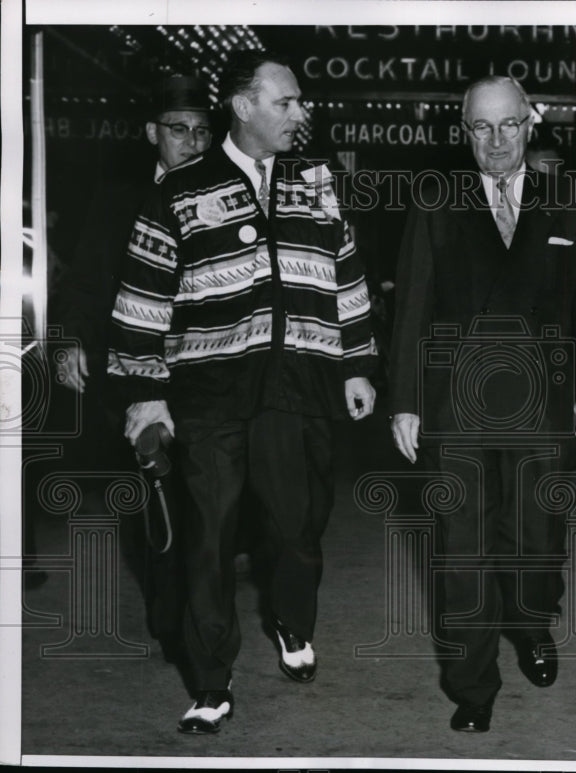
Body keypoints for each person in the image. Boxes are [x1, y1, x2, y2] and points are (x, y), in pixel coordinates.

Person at [107, 50, 378, 734]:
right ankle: (210, 677)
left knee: (297, 530)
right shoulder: (179, 190)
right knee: (208, 539)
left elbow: (345, 271)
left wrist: (356, 364)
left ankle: (290, 619)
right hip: (209, 393)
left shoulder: (316, 181)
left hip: (298, 387)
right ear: (243, 106)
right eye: (285, 102)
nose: (299, 113)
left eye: (300, 102)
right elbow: (141, 297)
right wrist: (146, 394)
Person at [388, 76, 576, 733]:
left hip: (545, 405)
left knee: (537, 544)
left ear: (530, 124)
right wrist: (404, 401)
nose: (494, 140)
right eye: (480, 127)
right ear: (464, 131)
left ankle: (535, 620)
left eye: (508, 125)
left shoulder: (570, 201)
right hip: (454, 405)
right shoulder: (435, 201)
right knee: (462, 553)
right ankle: (472, 684)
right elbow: (412, 309)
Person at [52, 74, 213, 655]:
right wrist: (70, 339)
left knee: (210, 503)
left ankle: (201, 614)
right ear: (153, 134)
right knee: (158, 501)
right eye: (178, 130)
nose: (191, 142)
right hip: (136, 376)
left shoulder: (229, 195)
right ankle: (174, 622)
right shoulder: (118, 199)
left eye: (201, 131)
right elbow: (87, 281)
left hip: (208, 378)